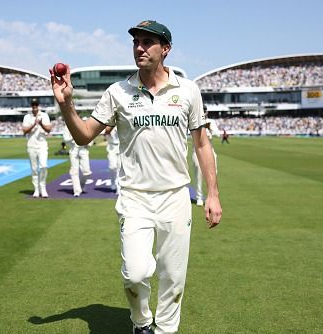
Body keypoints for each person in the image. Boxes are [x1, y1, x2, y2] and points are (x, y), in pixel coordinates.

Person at [50, 20, 222, 334]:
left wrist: (212, 193)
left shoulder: (188, 91)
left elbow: (202, 143)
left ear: (165, 49)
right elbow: (85, 136)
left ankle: (165, 329)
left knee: (173, 276)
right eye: (136, 42)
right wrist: (66, 104)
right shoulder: (118, 92)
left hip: (174, 195)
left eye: (147, 42)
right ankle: (141, 322)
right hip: (134, 197)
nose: (139, 48)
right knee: (135, 272)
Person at [22, 98, 53, 198]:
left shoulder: (44, 115)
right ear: (31, 106)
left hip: (42, 145)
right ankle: (36, 189)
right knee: (34, 169)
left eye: (36, 105)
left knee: (43, 166)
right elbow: (24, 131)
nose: (34, 107)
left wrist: (40, 124)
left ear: (38, 105)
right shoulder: (27, 117)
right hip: (31, 145)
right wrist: (34, 124)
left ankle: (42, 187)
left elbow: (48, 130)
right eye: (33, 105)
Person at [191, 106, 218, 206]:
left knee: (213, 174)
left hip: (210, 151)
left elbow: (217, 134)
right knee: (198, 174)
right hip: (197, 151)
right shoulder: (194, 120)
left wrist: (210, 129)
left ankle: (212, 196)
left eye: (205, 111)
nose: (204, 112)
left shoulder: (211, 121)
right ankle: (199, 197)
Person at [63, 120, 93, 197]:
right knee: (74, 171)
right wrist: (74, 136)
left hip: (83, 149)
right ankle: (77, 190)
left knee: (87, 172)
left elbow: (90, 138)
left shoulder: (84, 125)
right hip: (73, 149)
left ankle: (81, 184)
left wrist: (88, 143)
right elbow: (65, 139)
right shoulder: (68, 126)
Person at [105, 125, 120, 193]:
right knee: (112, 167)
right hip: (111, 147)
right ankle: (113, 181)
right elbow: (107, 131)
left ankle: (118, 187)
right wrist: (113, 125)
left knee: (119, 168)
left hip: (121, 147)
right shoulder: (110, 123)